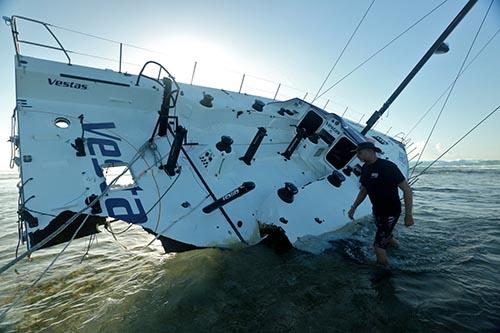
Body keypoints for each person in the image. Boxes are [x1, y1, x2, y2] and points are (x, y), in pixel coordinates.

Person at [348, 142, 414, 268]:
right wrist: (354, 207)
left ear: (370, 151)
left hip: (391, 211)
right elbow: (364, 190)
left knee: (378, 247)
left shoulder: (388, 167)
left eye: (359, 153)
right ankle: (401, 250)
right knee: (386, 235)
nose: (358, 156)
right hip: (377, 210)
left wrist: (408, 215)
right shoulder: (365, 169)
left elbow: (407, 190)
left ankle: (384, 274)